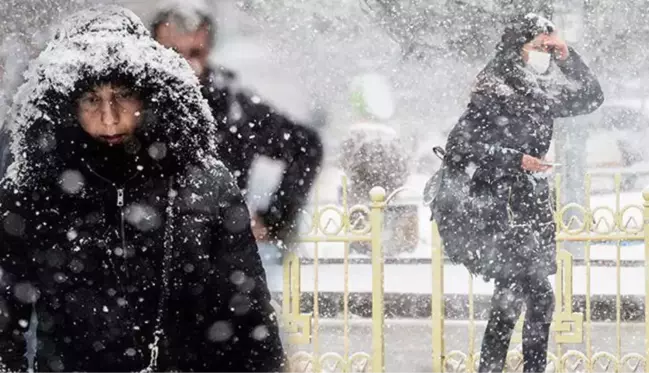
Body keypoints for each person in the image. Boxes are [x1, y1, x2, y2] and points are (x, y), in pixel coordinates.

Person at [0, 6, 285, 373]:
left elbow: (249, 321)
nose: (109, 116)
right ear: (66, 105)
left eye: (122, 94)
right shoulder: (31, 192)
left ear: (151, 94)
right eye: (91, 99)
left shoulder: (204, 183)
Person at [431, 13, 603, 373]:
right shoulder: (495, 87)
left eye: (548, 47)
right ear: (517, 48)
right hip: (498, 207)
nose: (544, 53)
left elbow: (590, 97)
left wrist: (566, 55)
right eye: (539, 47)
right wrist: (516, 160)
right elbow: (460, 147)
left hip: (528, 208)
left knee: (513, 297)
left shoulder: (539, 90)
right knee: (536, 295)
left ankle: (495, 368)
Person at [150, 1, 324, 251]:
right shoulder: (126, 105)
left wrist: (274, 219)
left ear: (208, 49)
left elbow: (306, 146)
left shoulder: (234, 106)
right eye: (173, 53)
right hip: (146, 261)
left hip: (217, 262)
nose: (184, 65)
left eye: (195, 53)